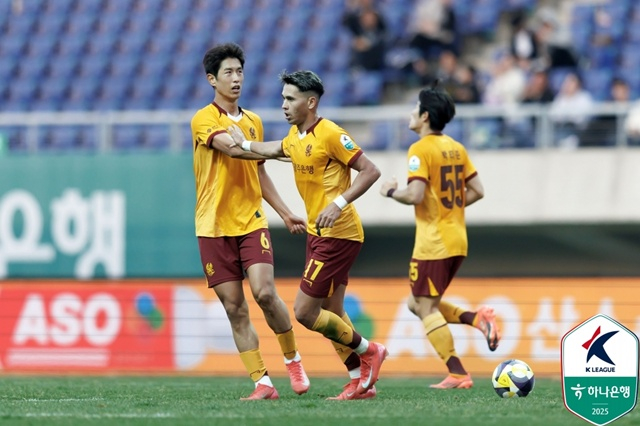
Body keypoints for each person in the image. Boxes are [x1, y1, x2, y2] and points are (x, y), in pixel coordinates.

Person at [230, 70, 388, 400]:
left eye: (291, 99)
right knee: (333, 311)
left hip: (338, 234)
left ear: (311, 102)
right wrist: (241, 143)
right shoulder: (295, 137)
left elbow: (370, 170)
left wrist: (339, 203)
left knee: (304, 312)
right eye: (283, 98)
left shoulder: (331, 133)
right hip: (318, 234)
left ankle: (370, 351)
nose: (284, 105)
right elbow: (271, 149)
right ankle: (359, 381)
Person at [190, 43, 310, 400]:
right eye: (228, 72)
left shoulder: (253, 121)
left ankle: (293, 360)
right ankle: (263, 383)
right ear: (212, 79)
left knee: (265, 293)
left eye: (240, 71)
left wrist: (284, 211)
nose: (236, 78)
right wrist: (283, 149)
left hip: (250, 221)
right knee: (234, 307)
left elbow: (258, 172)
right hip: (212, 226)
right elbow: (232, 149)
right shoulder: (203, 119)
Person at [379, 81, 500, 389]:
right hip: (457, 238)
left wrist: (391, 191)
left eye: (415, 108)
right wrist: (450, 209)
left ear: (425, 116)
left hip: (433, 242)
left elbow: (415, 195)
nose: (411, 112)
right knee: (415, 303)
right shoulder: (456, 148)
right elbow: (478, 190)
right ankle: (476, 319)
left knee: (425, 307)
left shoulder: (419, 149)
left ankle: (457, 372)